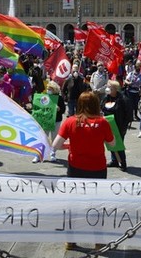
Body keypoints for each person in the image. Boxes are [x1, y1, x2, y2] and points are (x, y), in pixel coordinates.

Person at [52, 91, 115, 250]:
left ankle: (70, 240)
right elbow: (113, 144)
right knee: (97, 205)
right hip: (97, 169)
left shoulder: (70, 121)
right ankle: (98, 241)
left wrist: (72, 144)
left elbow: (55, 145)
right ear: (95, 105)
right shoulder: (103, 122)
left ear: (79, 105)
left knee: (73, 204)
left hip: (75, 169)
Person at [32, 81, 66, 163]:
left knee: (54, 138)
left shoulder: (59, 98)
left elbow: (63, 110)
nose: (48, 90)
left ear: (54, 90)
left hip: (56, 121)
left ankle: (52, 153)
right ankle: (38, 155)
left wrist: (59, 109)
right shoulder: (44, 97)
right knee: (43, 137)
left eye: (50, 89)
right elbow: (38, 107)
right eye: (47, 89)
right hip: (45, 120)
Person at [101, 80, 130, 171]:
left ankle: (123, 163)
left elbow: (128, 114)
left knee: (118, 144)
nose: (107, 88)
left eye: (110, 87)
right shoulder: (107, 97)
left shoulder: (123, 99)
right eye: (107, 86)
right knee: (110, 143)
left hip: (119, 126)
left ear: (115, 89)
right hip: (108, 125)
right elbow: (102, 107)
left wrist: (124, 127)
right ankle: (114, 161)